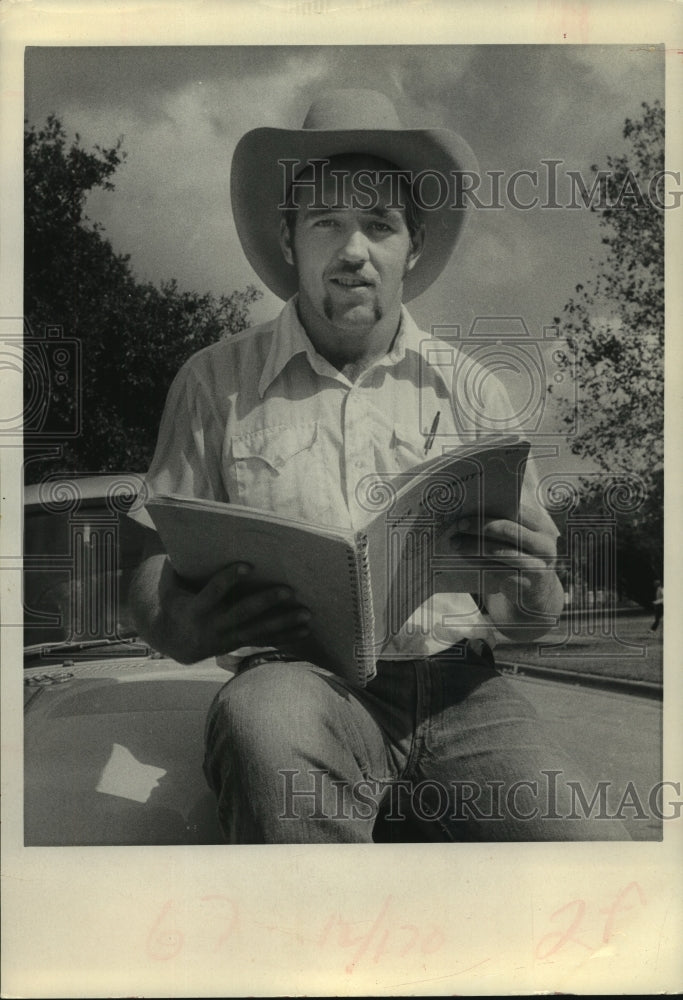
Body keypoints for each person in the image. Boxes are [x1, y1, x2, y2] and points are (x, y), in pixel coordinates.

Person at [129, 90, 629, 843]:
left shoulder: (472, 387)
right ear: (289, 238)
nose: (353, 250)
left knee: (590, 847)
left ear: (412, 247)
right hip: (295, 683)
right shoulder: (212, 381)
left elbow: (525, 621)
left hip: (465, 691)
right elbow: (149, 556)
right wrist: (177, 624)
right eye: (326, 222)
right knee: (264, 725)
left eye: (379, 224)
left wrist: (533, 584)